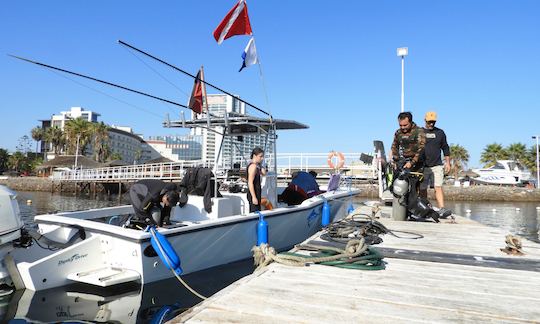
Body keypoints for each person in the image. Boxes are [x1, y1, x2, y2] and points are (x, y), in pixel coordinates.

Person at [419, 111, 452, 217]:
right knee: (422, 188)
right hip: (423, 166)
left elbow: (445, 147)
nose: (431, 124)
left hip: (437, 165)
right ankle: (424, 207)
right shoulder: (420, 132)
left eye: (433, 122)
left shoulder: (440, 133)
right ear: (425, 120)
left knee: (438, 186)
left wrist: (447, 163)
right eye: (429, 122)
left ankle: (442, 209)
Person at [247, 147, 267, 212]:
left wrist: (260, 164)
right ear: (254, 156)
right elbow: (250, 182)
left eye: (262, 156)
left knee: (257, 212)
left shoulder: (257, 166)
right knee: (254, 213)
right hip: (254, 193)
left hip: (257, 192)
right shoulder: (253, 166)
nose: (262, 158)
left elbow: (264, 173)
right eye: (260, 156)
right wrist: (254, 197)